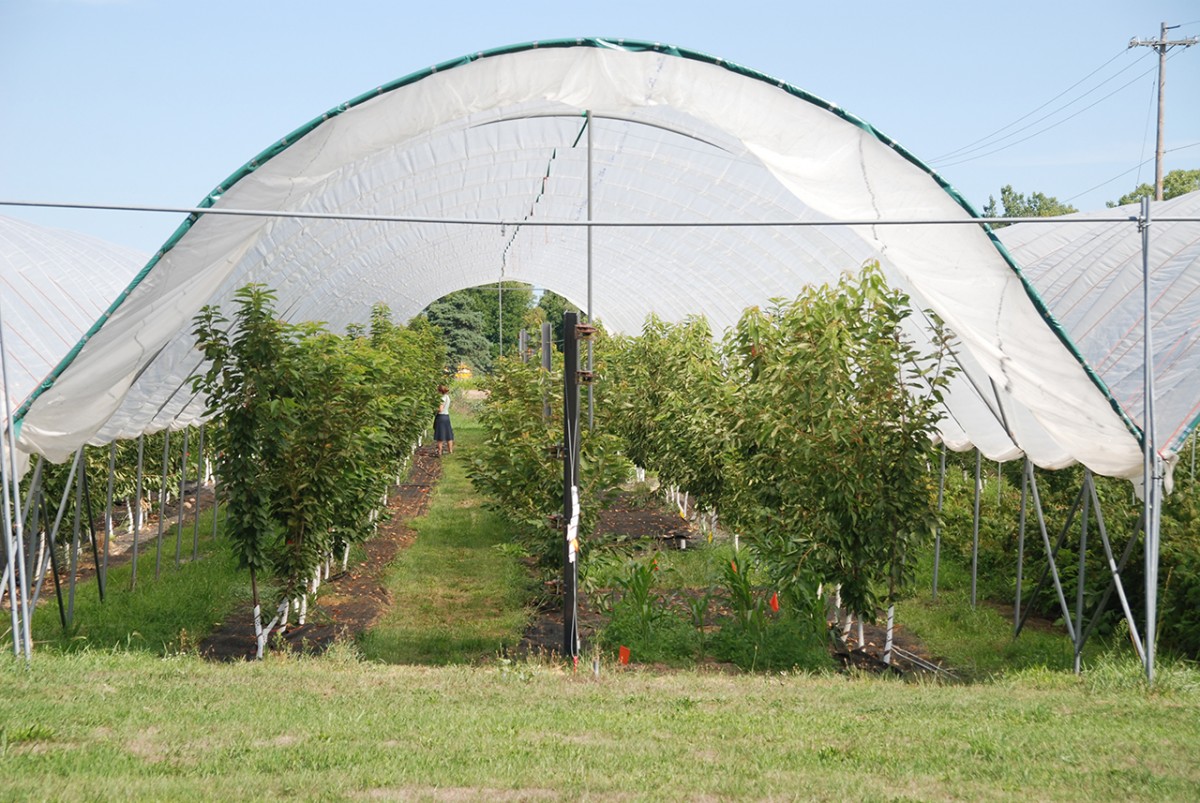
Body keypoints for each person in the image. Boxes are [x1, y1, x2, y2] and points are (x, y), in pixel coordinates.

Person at [434, 384, 454, 456]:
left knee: (440, 435)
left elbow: (440, 409)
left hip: (441, 417)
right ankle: (450, 450)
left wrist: (434, 409)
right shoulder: (447, 397)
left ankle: (439, 451)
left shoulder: (441, 398)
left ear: (439, 391)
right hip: (446, 416)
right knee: (449, 434)